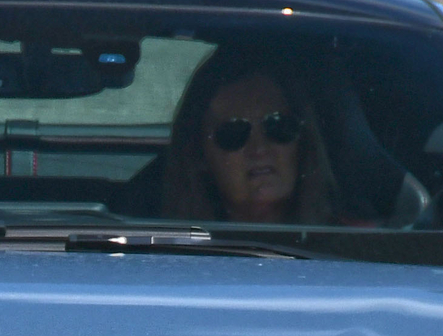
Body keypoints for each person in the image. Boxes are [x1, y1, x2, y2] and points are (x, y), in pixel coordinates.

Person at [145, 45, 360, 226]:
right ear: (199, 155)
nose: (259, 149)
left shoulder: (361, 250)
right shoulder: (163, 255)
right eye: (234, 133)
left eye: (277, 126)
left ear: (302, 141)